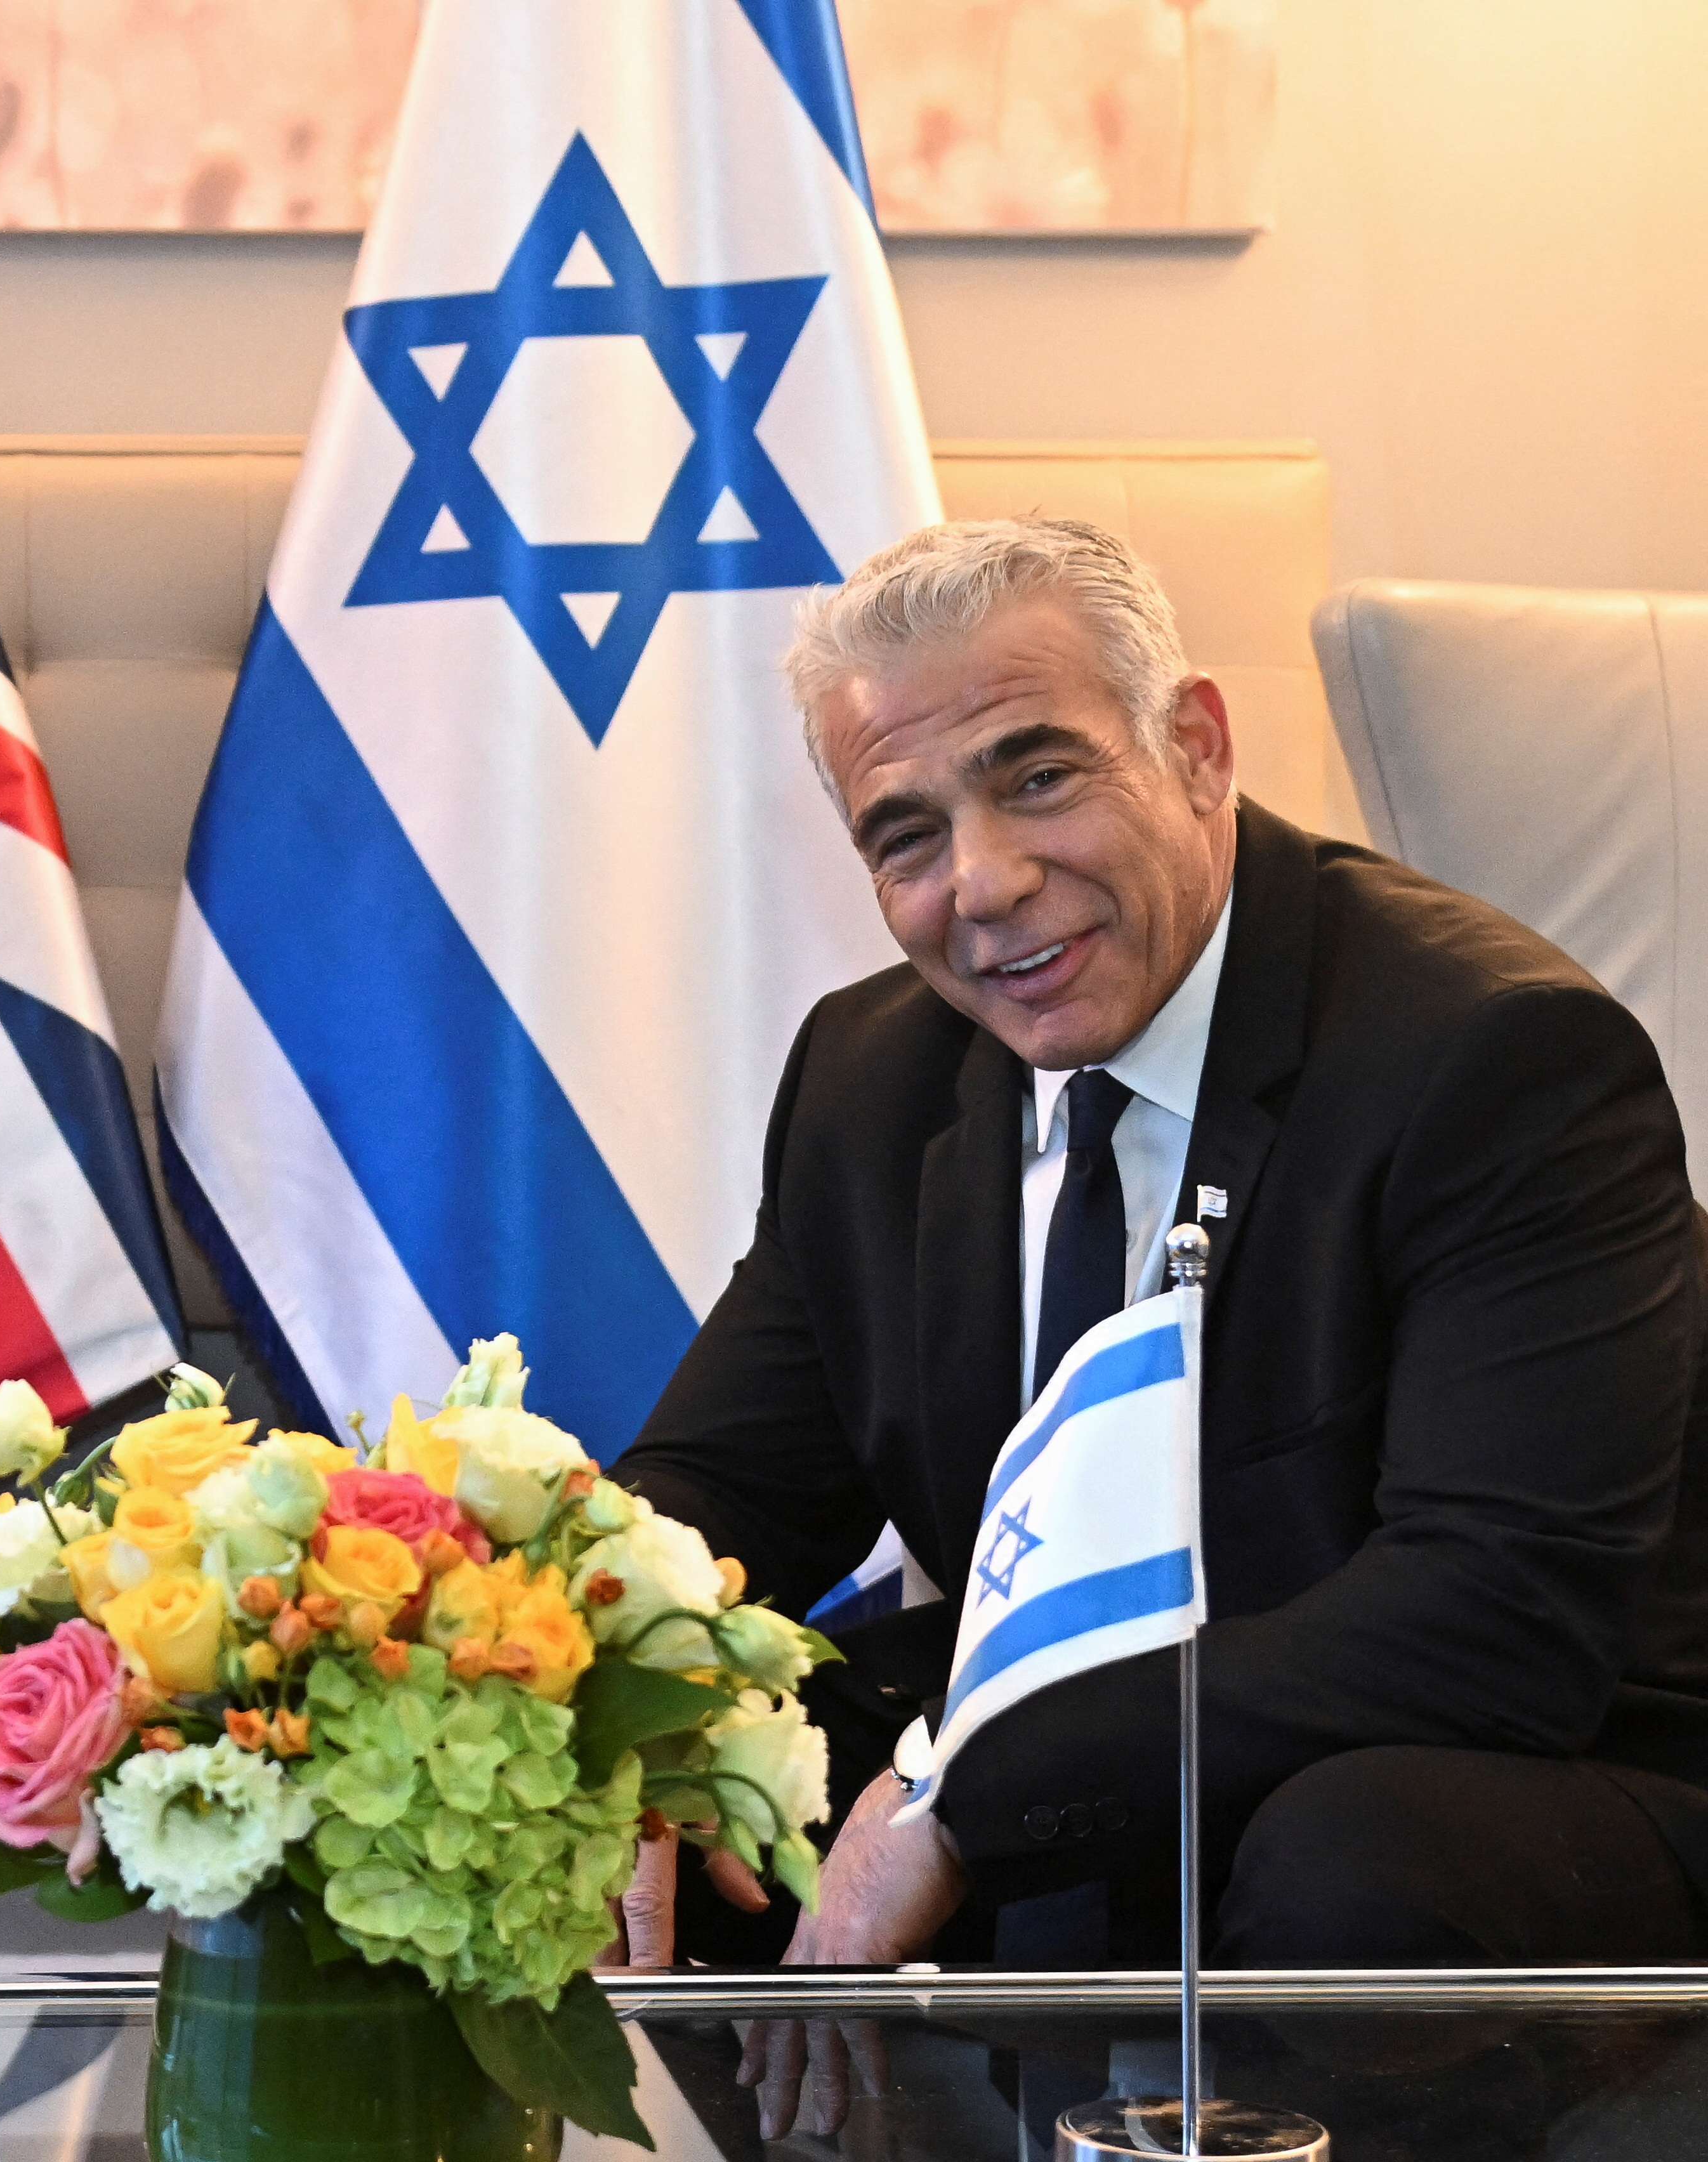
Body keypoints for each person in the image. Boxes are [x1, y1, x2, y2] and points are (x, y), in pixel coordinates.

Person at [619, 518, 1708, 2132]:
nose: (980, 884)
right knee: (716, 1802)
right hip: (1106, 1743)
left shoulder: (1497, 1061)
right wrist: (609, 1714)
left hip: (1528, 1764)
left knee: (1353, 1869)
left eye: (1038, 776)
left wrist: (966, 1797)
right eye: (905, 834)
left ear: (1192, 746)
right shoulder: (870, 1080)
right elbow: (716, 1498)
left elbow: (1495, 1627)